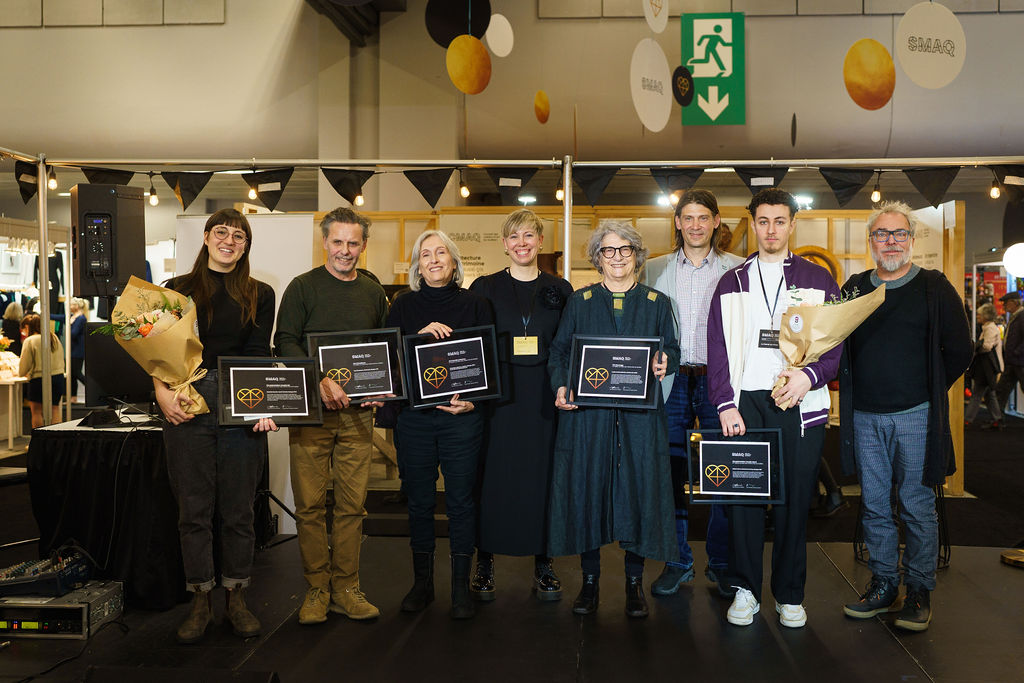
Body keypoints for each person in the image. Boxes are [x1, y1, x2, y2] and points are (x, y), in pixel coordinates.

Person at [707, 188, 841, 629]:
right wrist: (725, 405)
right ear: (752, 224)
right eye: (762, 221)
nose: (771, 230)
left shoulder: (818, 280)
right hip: (747, 403)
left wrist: (810, 377)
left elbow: (836, 343)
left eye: (779, 221)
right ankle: (744, 589)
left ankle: (789, 594)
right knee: (744, 500)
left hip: (800, 400)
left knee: (794, 501)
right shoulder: (732, 281)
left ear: (792, 224)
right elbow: (718, 349)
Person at [839, 201, 972, 632]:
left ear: (912, 241)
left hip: (917, 414)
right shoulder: (856, 287)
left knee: (916, 505)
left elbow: (961, 350)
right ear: (871, 242)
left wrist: (926, 390)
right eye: (882, 234)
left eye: (899, 234)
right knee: (874, 505)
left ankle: (918, 588)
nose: (890, 242)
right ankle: (883, 584)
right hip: (863, 416)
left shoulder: (934, 287)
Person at [155, 209, 277, 644]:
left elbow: (260, 354)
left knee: (240, 510)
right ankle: (201, 599)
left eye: (239, 235)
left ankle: (237, 596)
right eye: (221, 232)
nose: (230, 240)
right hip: (187, 401)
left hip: (240, 401)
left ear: (246, 244)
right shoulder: (176, 290)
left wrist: (263, 405)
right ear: (206, 238)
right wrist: (160, 391)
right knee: (194, 510)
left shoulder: (260, 293)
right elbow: (158, 348)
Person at [548, 221, 679, 619]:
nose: (618, 257)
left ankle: (634, 583)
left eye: (625, 250)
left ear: (637, 256)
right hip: (590, 419)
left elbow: (670, 348)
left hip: (640, 419)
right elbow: (559, 354)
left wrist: (664, 362)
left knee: (639, 493)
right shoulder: (581, 301)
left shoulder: (657, 302)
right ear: (597, 258)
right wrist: (560, 387)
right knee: (590, 491)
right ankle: (589, 583)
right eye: (609, 250)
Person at [274, 207, 389, 625]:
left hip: (359, 416)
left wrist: (382, 385)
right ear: (325, 242)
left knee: (352, 506)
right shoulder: (303, 288)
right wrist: (318, 379)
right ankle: (316, 589)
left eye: (353, 243)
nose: (345, 250)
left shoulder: (374, 293)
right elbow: (284, 343)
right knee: (308, 505)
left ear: (362, 245)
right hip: (311, 412)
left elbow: (383, 350)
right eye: (337, 241)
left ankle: (347, 587)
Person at [387, 230, 494, 619]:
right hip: (415, 421)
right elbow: (389, 363)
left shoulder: (477, 304)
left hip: (461, 420)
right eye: (425, 254)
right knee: (418, 502)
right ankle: (423, 585)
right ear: (418, 264)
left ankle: (460, 588)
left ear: (453, 261)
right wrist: (417, 337)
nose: (433, 260)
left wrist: (473, 402)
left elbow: (489, 363)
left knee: (462, 502)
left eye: (440, 253)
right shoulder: (402, 306)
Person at [467, 209, 573, 602]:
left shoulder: (561, 289)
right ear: (505, 244)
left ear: (541, 242)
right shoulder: (484, 287)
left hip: (545, 394)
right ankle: (485, 561)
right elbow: (472, 344)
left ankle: (544, 564)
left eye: (529, 236)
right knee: (492, 476)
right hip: (499, 396)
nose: (522, 243)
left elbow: (570, 345)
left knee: (544, 477)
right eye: (514, 237)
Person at [643, 189, 742, 598]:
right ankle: (677, 560)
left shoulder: (740, 269)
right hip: (671, 380)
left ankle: (720, 563)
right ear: (678, 223)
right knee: (670, 474)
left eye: (704, 217)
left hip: (720, 380)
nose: (696, 225)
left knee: (721, 473)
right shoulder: (652, 270)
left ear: (717, 222)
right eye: (688, 218)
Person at [18, 313, 65, 427]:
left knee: (37, 412)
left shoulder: (30, 340)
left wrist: (21, 373)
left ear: (29, 326)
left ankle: (39, 443)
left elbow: (24, 365)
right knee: (55, 409)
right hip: (58, 377)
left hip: (39, 379)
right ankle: (56, 441)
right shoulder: (53, 337)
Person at [964, 303, 1003, 428]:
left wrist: (976, 347)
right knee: (989, 395)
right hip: (988, 368)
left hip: (987, 369)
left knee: (977, 394)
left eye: (980, 314)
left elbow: (987, 347)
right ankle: (997, 419)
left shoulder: (990, 328)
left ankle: (967, 419)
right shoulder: (988, 327)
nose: (977, 316)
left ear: (986, 315)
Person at [994, 291, 1023, 418]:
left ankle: (997, 418)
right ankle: (997, 418)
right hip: (1013, 361)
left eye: (1006, 303)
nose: (1004, 306)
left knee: (1002, 390)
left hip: (1020, 362)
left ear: (1013, 302)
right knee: (1001, 390)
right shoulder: (1016, 316)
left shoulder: (1021, 316)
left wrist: (1017, 352)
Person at [68, 298, 87, 402]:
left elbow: (73, 334)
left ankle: (92, 388)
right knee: (72, 375)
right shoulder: (73, 317)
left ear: (77, 306)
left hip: (78, 351)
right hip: (72, 350)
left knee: (77, 373)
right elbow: (60, 318)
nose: (70, 306)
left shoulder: (81, 319)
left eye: (71, 305)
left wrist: (70, 324)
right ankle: (73, 398)